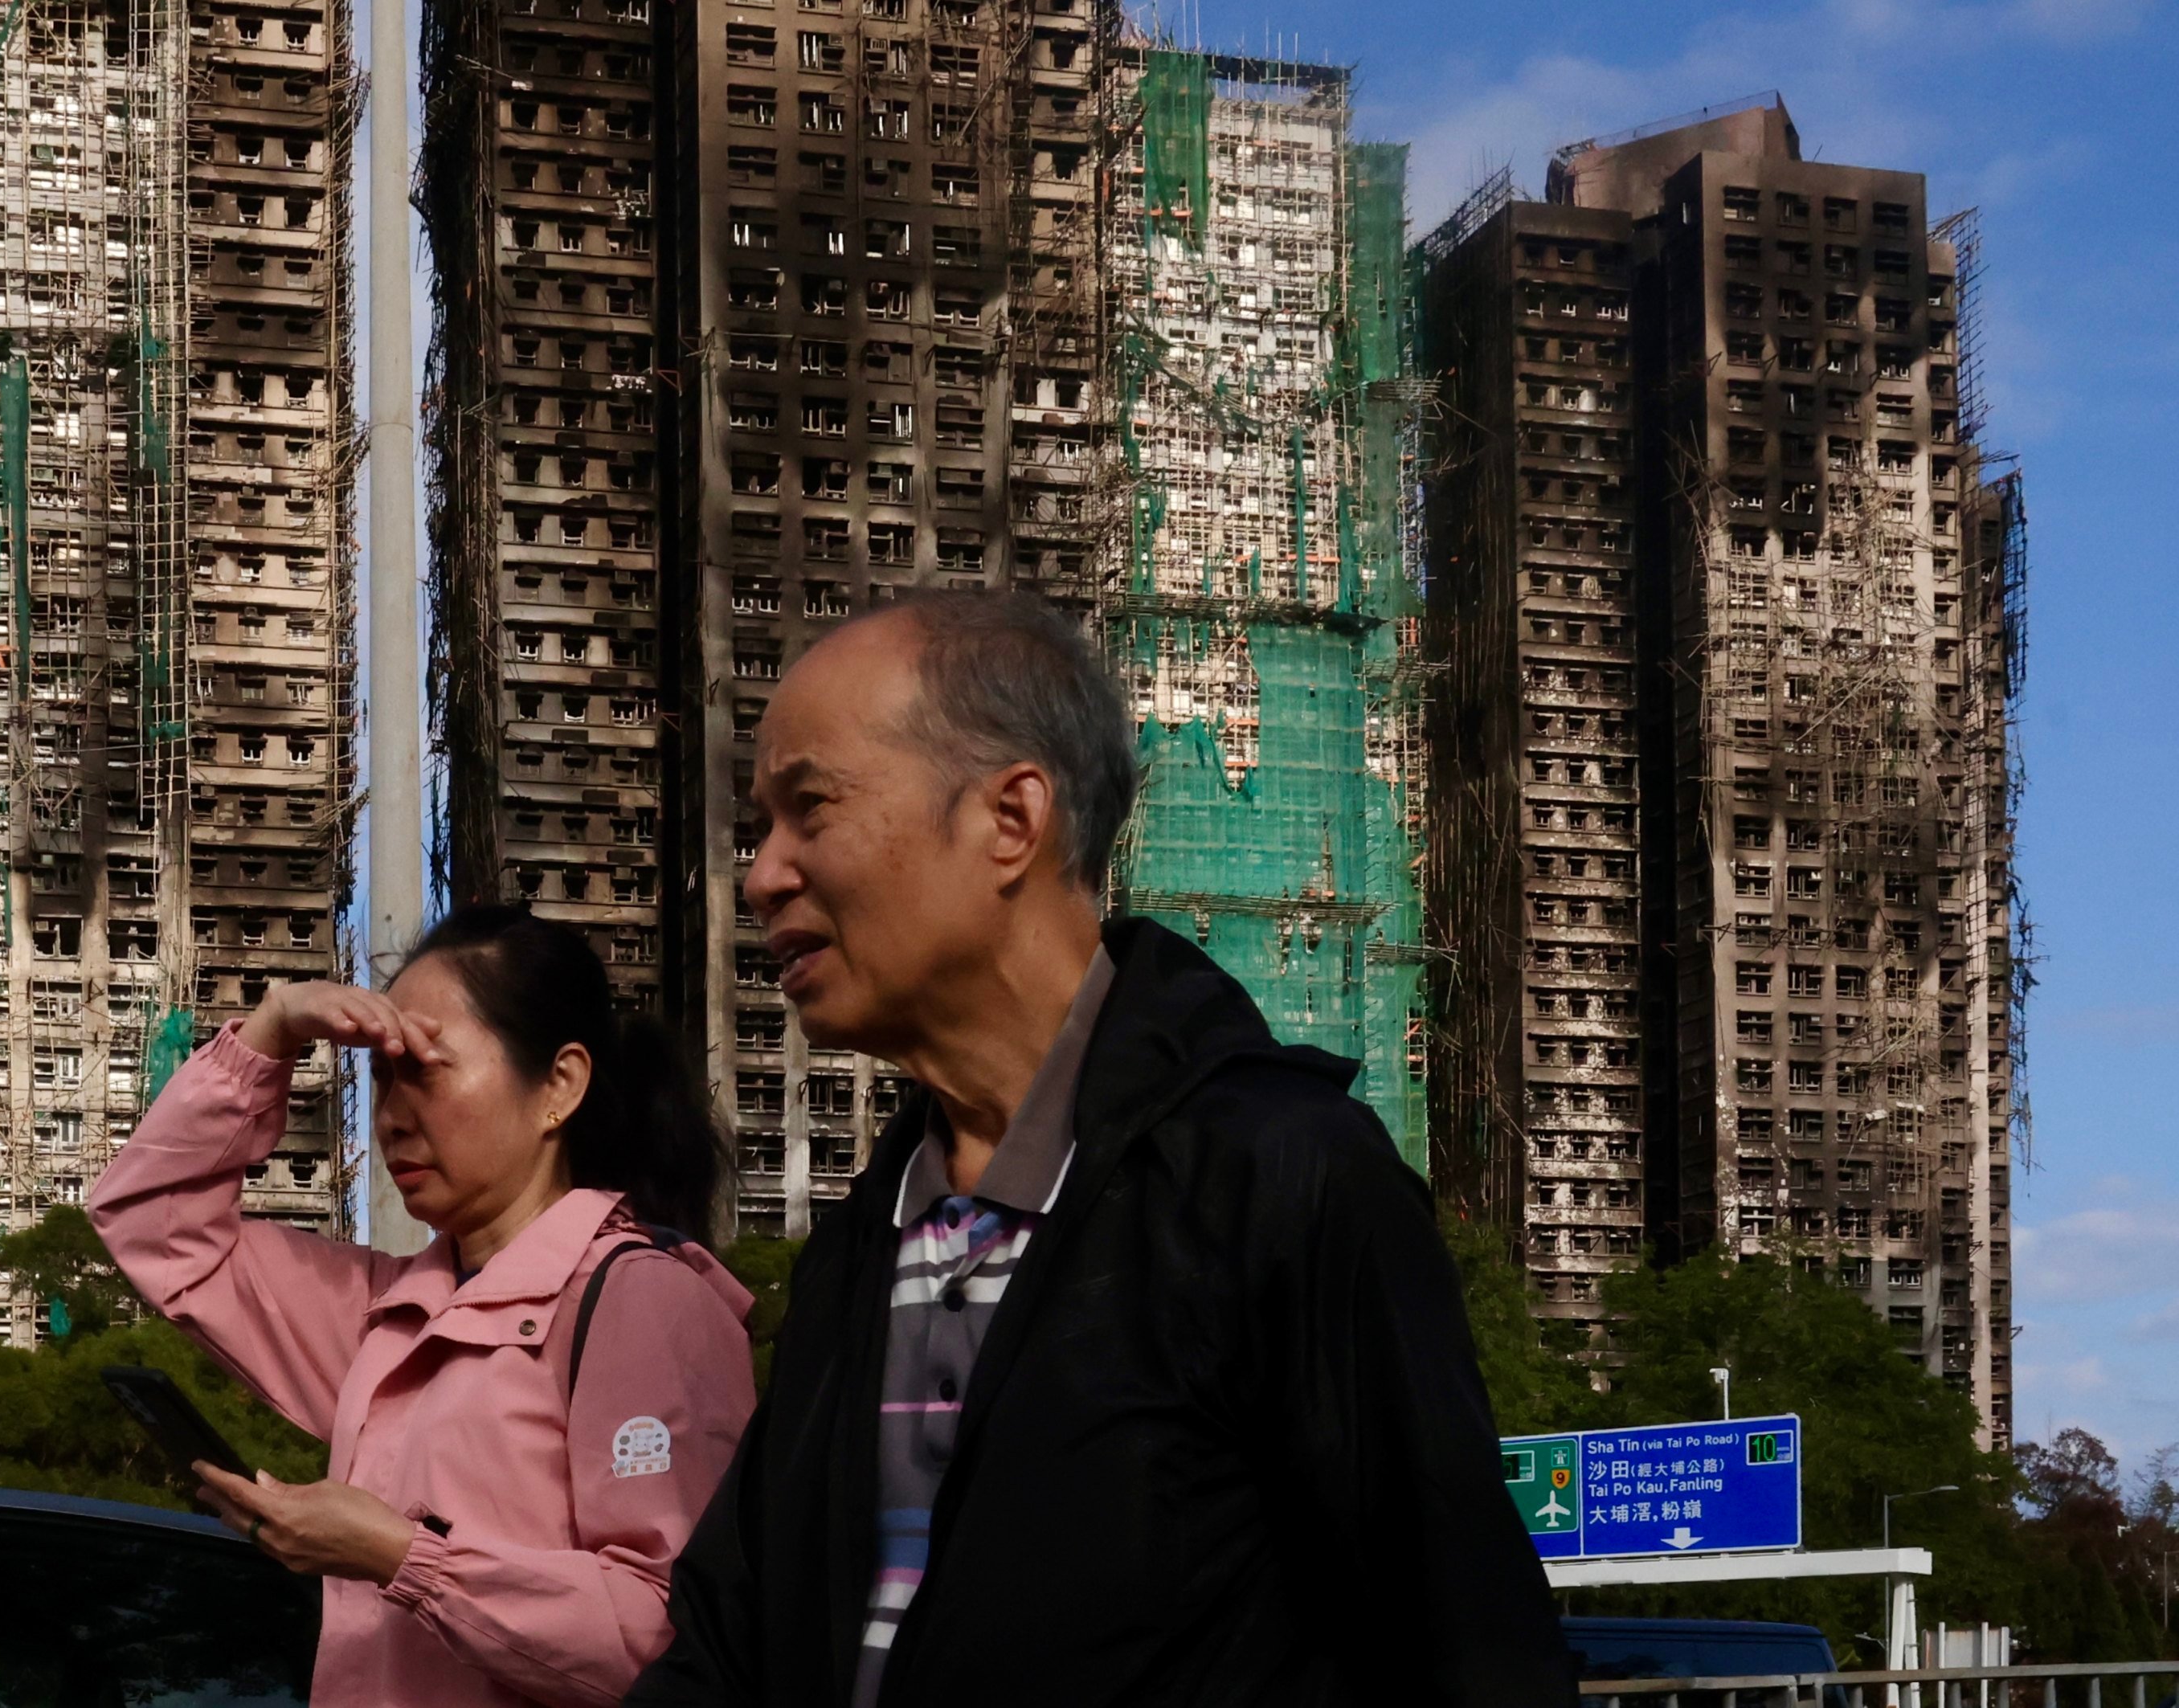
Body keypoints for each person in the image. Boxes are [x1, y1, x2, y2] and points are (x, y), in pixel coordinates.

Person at [625, 590, 1572, 1708]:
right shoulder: (860, 1244)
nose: (764, 873)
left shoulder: (1279, 1177)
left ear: (1010, 819)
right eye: (760, 827)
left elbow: (1467, 1646)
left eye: (808, 808)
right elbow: (728, 1648)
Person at [91, 903, 757, 1708]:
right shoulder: (390, 1311)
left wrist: (402, 1557)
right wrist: (270, 1033)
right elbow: (152, 1221)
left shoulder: (644, 1302)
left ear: (560, 1086)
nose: (395, 1115)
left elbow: (673, 1638)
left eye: (426, 1071)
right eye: (381, 1078)